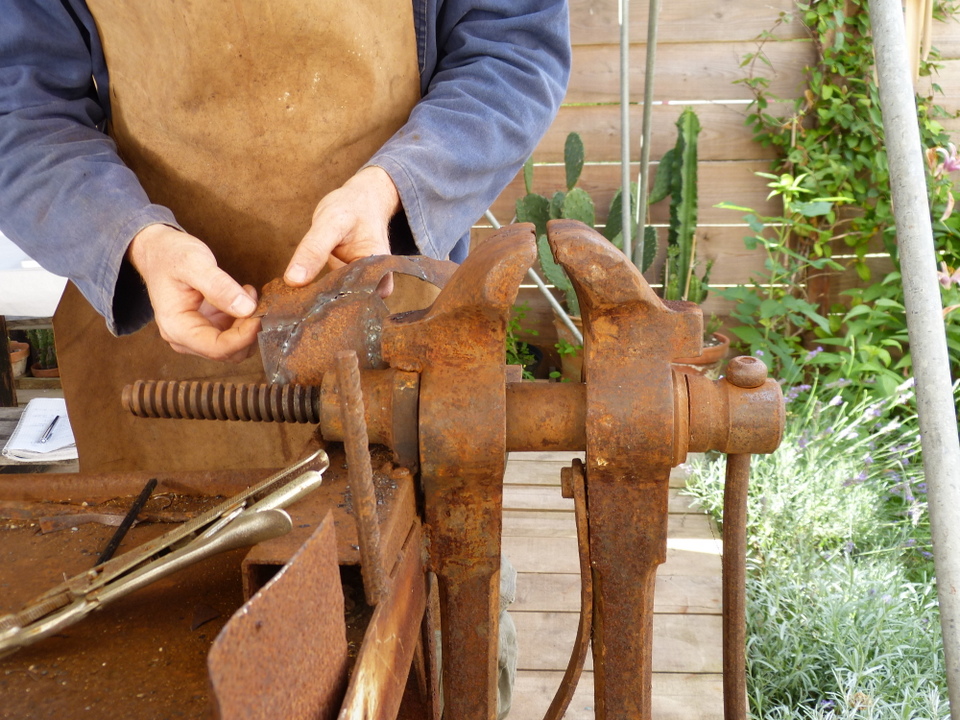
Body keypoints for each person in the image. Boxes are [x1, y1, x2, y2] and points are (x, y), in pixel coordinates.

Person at [0, 1, 571, 473]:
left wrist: (396, 186)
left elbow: (512, 49)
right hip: (166, 340)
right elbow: (20, 112)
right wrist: (136, 241)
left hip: (394, 314)